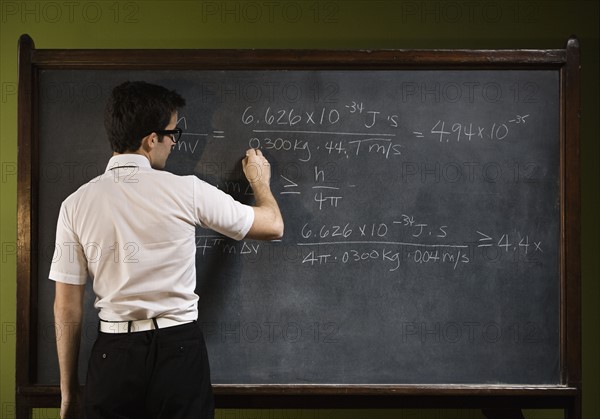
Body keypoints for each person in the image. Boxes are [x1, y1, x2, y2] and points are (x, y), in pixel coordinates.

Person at [50, 81, 284, 419]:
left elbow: (66, 307)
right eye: (173, 133)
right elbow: (273, 226)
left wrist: (68, 393)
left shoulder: (75, 205)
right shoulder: (186, 191)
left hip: (113, 355)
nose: (175, 143)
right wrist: (260, 182)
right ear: (151, 139)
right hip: (179, 350)